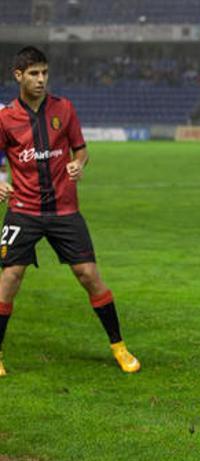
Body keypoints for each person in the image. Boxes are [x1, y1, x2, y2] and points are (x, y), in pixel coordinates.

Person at [0, 46, 140, 377]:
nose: (41, 79)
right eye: (34, 73)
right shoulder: (5, 119)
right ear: (18, 76)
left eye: (45, 73)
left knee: (89, 276)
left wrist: (78, 164)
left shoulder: (64, 108)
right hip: (23, 210)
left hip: (65, 210)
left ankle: (119, 347)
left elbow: (82, 151)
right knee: (9, 279)